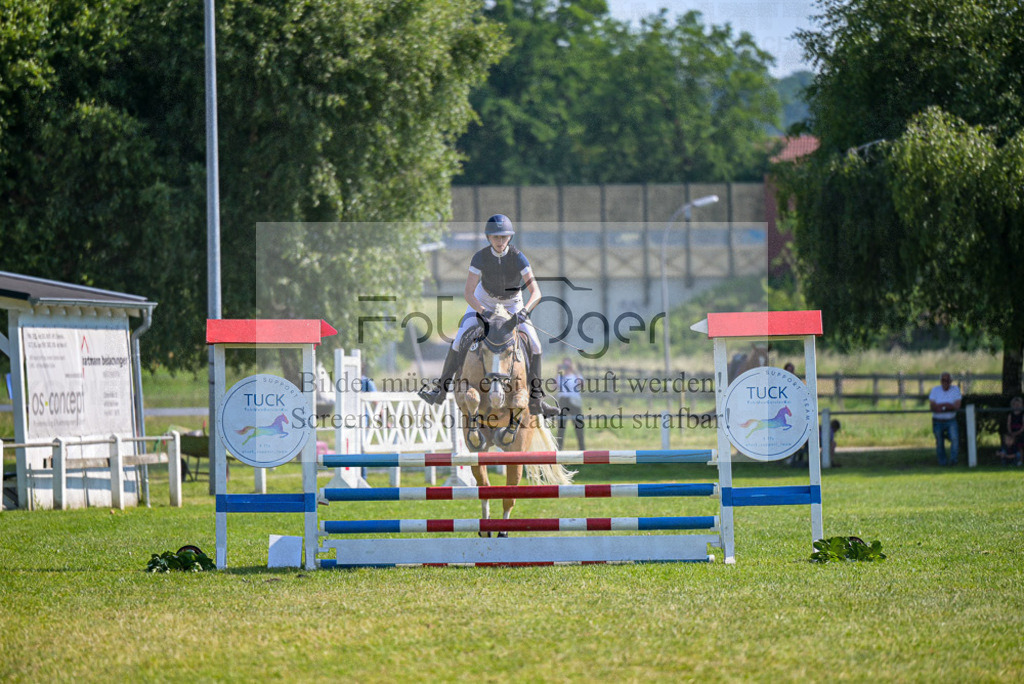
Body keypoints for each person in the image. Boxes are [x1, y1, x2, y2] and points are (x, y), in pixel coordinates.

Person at [418, 214, 557, 416]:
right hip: (483, 300)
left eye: (503, 237)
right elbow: (468, 292)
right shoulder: (480, 257)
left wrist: (525, 311)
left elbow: (536, 292)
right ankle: (440, 390)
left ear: (509, 238)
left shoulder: (518, 258)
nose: (499, 242)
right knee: (458, 341)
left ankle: (536, 400)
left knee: (536, 345)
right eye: (495, 237)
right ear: (489, 238)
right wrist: (484, 312)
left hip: (513, 303)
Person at [928, 372, 962, 465]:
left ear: (951, 381)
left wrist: (942, 406)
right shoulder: (935, 390)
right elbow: (932, 407)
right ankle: (942, 462)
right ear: (940, 381)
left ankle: (953, 461)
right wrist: (948, 406)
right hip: (937, 420)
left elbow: (957, 406)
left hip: (951, 420)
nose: (945, 382)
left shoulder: (955, 390)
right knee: (939, 442)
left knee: (955, 439)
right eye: (943, 380)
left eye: (947, 380)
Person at [555, 358, 585, 449]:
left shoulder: (576, 376)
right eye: (565, 365)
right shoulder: (560, 377)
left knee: (578, 426)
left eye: (568, 365)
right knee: (561, 427)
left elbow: (582, 384)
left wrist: (574, 370)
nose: (567, 367)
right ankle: (559, 448)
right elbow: (554, 386)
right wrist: (557, 371)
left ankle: (582, 448)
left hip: (574, 401)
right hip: (563, 401)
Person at [997, 396, 1024, 466]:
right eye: (1015, 404)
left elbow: (1023, 426)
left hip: (1020, 433)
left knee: (1020, 447)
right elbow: (1008, 424)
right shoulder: (1010, 415)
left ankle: (1020, 461)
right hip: (1012, 433)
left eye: (1018, 404)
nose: (1016, 406)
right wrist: (1011, 432)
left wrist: (1017, 433)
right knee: (1010, 445)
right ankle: (1009, 461)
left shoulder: (1022, 414)